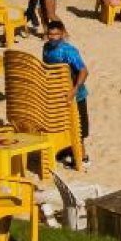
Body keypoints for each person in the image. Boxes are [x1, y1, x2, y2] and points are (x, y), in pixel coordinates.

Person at [41, 20, 90, 168]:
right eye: (50, 34)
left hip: (77, 94)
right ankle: (66, 148)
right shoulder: (46, 48)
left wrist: (74, 89)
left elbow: (84, 71)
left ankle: (83, 158)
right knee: (62, 124)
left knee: (79, 128)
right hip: (57, 93)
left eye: (56, 34)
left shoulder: (68, 51)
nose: (53, 37)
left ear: (62, 34)